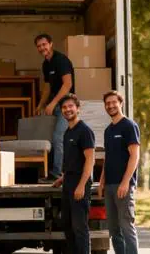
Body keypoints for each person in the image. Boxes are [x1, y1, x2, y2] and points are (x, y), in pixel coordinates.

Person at [97, 91, 140, 254]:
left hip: (124, 187)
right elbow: (107, 158)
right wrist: (101, 182)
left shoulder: (129, 126)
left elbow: (134, 156)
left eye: (114, 102)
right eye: (107, 103)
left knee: (127, 227)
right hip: (109, 186)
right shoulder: (108, 130)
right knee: (114, 230)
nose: (111, 106)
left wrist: (125, 182)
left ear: (120, 103)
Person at [52, 94, 95, 254]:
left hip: (79, 184)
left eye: (70, 106)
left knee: (80, 228)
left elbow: (90, 160)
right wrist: (62, 179)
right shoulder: (68, 132)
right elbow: (73, 161)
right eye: (64, 107)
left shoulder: (85, 131)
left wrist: (82, 186)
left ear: (78, 108)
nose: (67, 110)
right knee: (67, 225)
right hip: (68, 183)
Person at [35, 33, 75, 183]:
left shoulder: (61, 60)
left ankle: (57, 173)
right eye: (39, 46)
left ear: (51, 44)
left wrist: (53, 103)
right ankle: (55, 171)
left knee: (59, 137)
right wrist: (41, 104)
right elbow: (47, 87)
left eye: (44, 44)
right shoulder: (46, 64)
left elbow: (67, 84)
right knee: (53, 138)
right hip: (56, 105)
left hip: (67, 106)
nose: (42, 48)